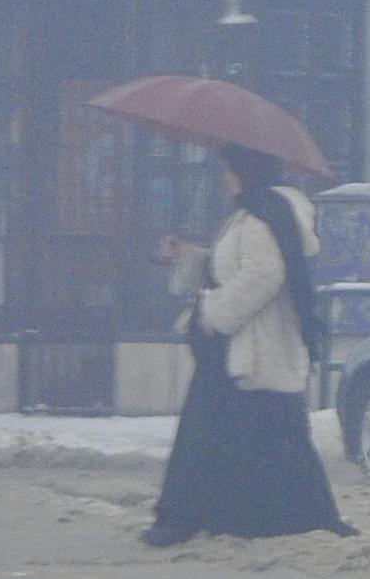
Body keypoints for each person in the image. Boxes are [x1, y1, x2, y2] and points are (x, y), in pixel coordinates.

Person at [145, 145, 356, 546]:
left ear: (247, 171)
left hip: (253, 347)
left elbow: (263, 275)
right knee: (258, 436)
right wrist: (188, 257)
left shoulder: (262, 217)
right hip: (242, 348)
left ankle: (187, 518)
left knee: (215, 434)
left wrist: (215, 316)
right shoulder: (254, 213)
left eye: (230, 170)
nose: (226, 178)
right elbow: (229, 267)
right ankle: (278, 516)